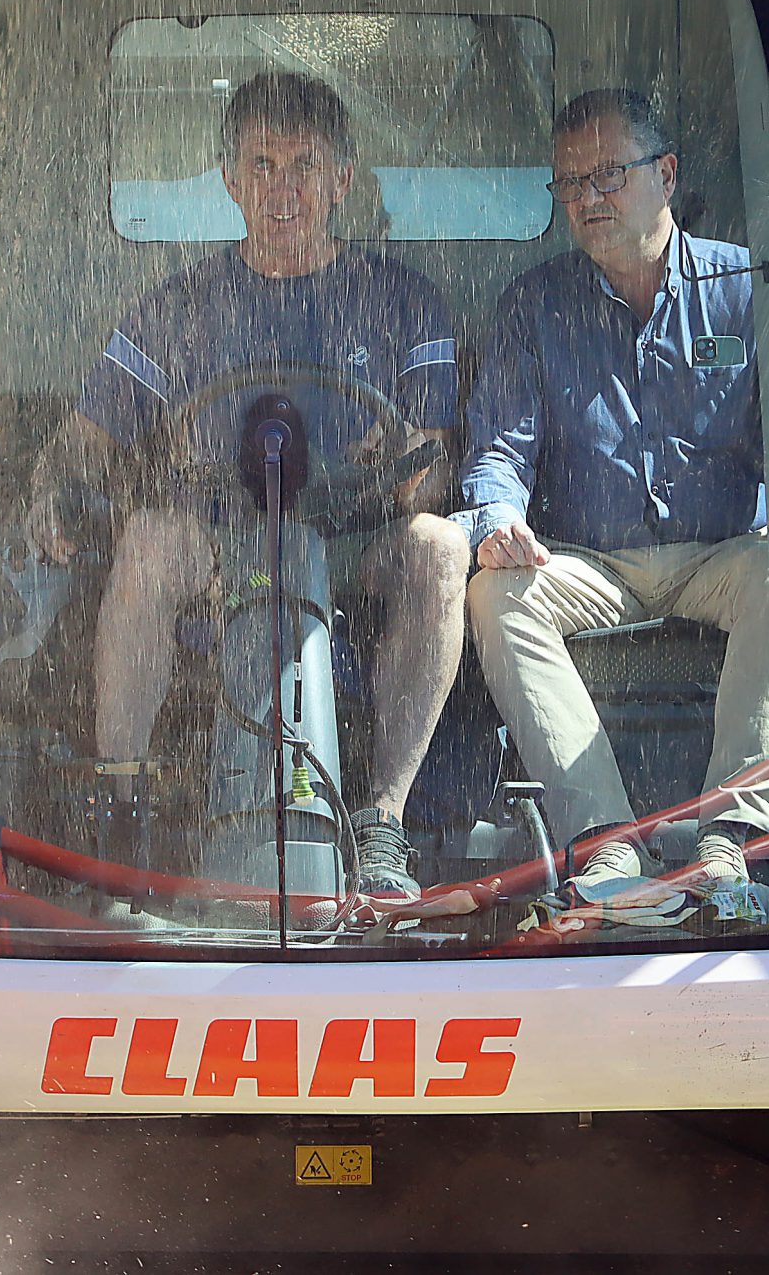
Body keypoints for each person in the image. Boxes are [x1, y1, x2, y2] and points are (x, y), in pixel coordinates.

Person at [24, 73, 468, 902]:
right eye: (261, 164)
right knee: (150, 538)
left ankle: (383, 824)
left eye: (305, 164)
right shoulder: (176, 307)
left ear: (342, 178)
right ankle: (123, 813)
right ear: (229, 182)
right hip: (216, 547)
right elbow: (82, 442)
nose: (284, 187)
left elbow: (437, 470)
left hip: (353, 553)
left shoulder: (405, 302)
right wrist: (49, 492)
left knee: (441, 548)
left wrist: (411, 464)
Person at [458, 89, 769, 899]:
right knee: (497, 592)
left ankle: (729, 838)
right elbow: (499, 449)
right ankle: (605, 843)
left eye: (607, 175)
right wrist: (499, 521)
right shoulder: (534, 305)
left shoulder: (746, 287)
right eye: (568, 183)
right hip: (590, 561)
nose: (587, 199)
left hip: (723, 555)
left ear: (665, 175)